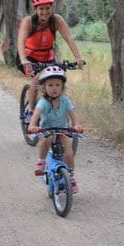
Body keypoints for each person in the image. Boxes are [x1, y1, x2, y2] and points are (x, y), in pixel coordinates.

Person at [16, 0, 86, 121]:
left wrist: (78, 58)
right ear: (36, 9)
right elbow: (20, 42)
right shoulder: (28, 22)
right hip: (28, 57)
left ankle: (57, 110)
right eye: (41, 8)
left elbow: (69, 38)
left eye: (47, 8)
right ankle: (31, 112)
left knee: (57, 79)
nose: (45, 12)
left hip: (48, 57)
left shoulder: (56, 20)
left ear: (51, 8)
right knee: (37, 80)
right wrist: (24, 60)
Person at [28, 64, 82, 192]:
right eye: (50, 85)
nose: (54, 88)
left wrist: (77, 125)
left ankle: (71, 177)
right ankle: (41, 162)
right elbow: (36, 115)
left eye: (58, 85)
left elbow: (73, 115)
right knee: (46, 141)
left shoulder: (65, 101)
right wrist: (32, 125)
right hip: (46, 130)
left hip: (62, 130)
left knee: (69, 154)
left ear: (62, 87)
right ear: (44, 87)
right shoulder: (43, 102)